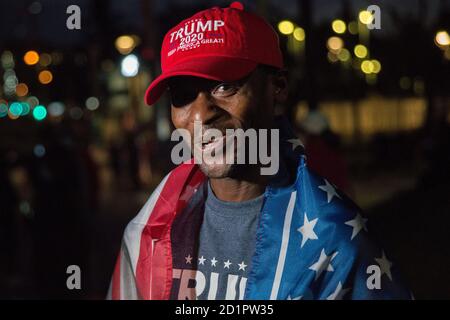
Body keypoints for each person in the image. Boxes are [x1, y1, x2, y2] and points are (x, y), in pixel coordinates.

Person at [107, 2, 411, 300]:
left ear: (277, 89)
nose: (200, 115)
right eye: (183, 95)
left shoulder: (337, 241)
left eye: (224, 86)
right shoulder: (149, 231)